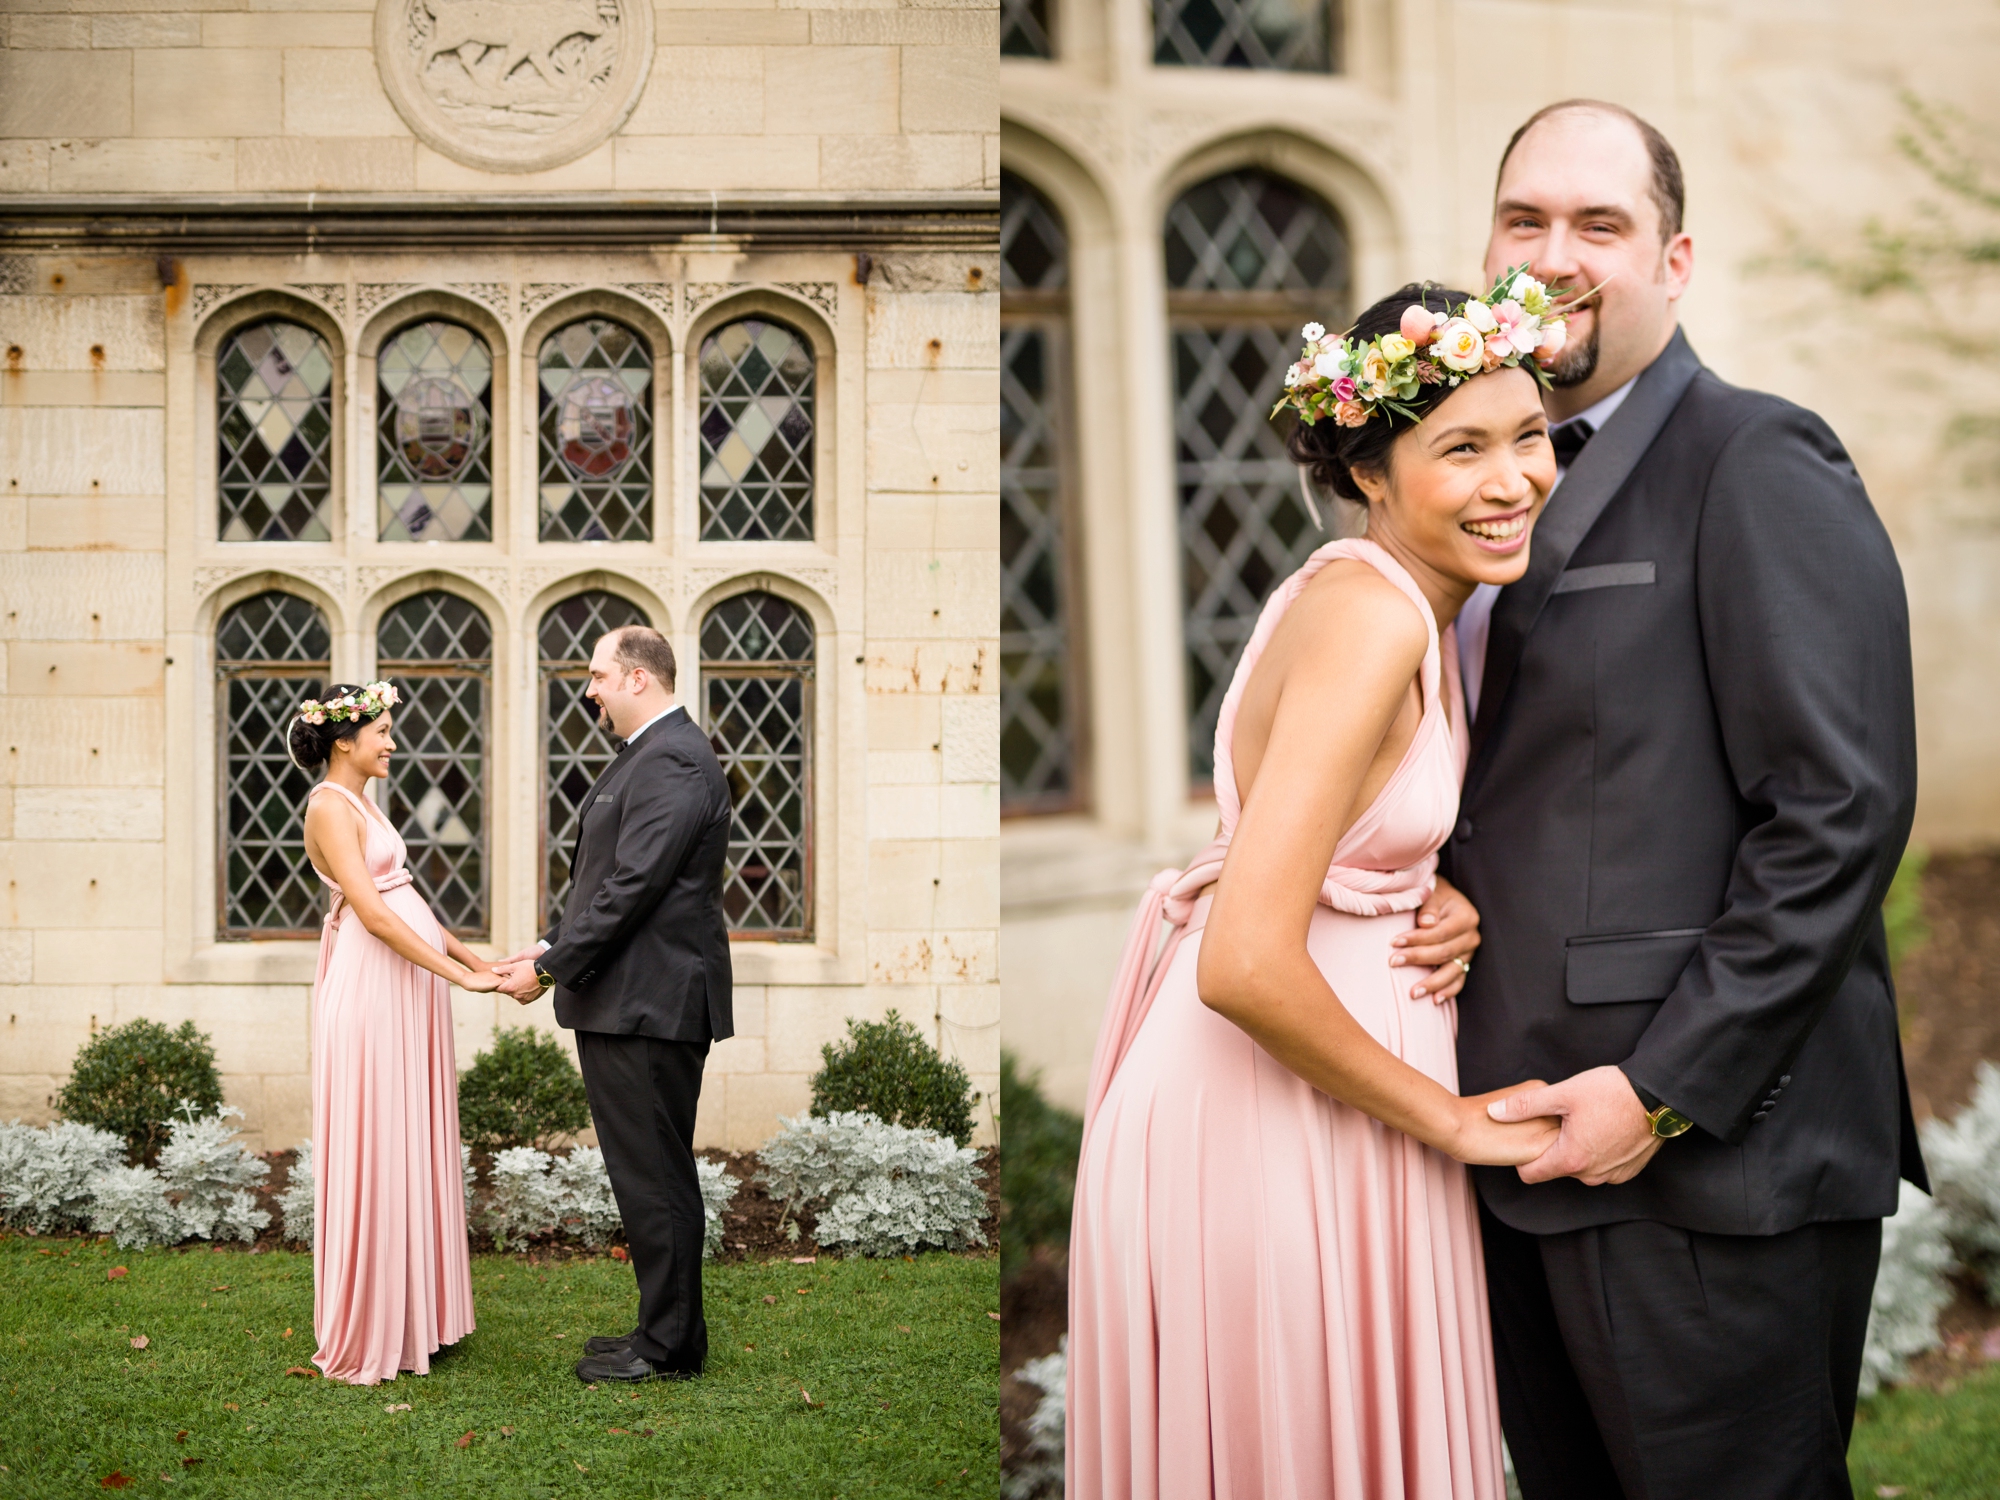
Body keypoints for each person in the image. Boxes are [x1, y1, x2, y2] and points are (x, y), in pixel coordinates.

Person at [1445, 100, 1924, 1498]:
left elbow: (1837, 814)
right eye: (1524, 220)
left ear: (1677, 258)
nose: (1556, 252)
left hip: (1709, 1161)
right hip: (1520, 1140)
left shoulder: (1758, 460)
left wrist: (1661, 1095)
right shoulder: (1483, 491)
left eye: (1600, 224)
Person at [1067, 274, 1574, 1498]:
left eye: (1527, 437)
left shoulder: (1391, 599)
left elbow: (1342, 838)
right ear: (1368, 475)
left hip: (1329, 1100)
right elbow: (1243, 958)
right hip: (1277, 1119)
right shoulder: (1369, 620)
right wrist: (1453, 1121)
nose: (1511, 481)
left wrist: (1434, 893)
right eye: (1460, 449)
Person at [492, 625, 733, 1384]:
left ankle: (666, 1350)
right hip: (630, 999)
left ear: (638, 679)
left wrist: (554, 968)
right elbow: (612, 881)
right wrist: (551, 942)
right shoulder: (650, 757)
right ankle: (666, 1332)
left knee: (655, 1177)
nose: (588, 689)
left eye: (598, 676)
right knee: (646, 1174)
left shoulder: (676, 763)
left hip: (649, 1005)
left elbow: (635, 888)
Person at [294, 680, 499, 1386]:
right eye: (381, 730)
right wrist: (456, 976)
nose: (391, 740)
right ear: (343, 741)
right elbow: (374, 917)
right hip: (372, 987)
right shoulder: (327, 806)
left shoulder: (362, 802)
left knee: (411, 1133)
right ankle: (372, 1323)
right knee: (379, 1137)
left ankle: (418, 1313)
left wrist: (477, 959)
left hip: (405, 984)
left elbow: (403, 897)